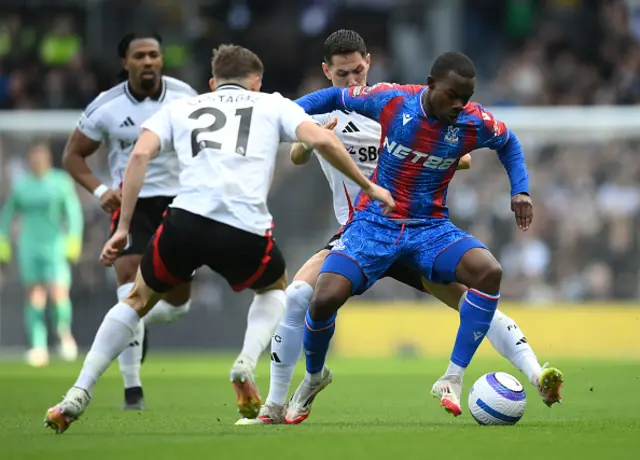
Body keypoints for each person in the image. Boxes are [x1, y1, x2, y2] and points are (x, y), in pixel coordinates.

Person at [43, 44, 395, 434]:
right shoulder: (271, 103)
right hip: (244, 226)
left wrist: (124, 227)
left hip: (184, 220)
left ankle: (78, 392)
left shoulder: (182, 107)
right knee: (276, 289)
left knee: (136, 299)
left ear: (212, 83)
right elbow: (325, 142)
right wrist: (370, 187)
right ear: (257, 82)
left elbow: (138, 157)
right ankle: (245, 360)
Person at [240, 30, 562, 426]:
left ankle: (531, 372)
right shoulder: (329, 116)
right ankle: (281, 400)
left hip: (423, 231)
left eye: (359, 71)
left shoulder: (401, 106)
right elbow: (296, 152)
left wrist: (511, 185)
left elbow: (474, 154)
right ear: (327, 72)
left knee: (478, 290)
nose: (353, 81)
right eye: (343, 74)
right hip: (362, 229)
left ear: (369, 64)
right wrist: (299, 129)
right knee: (303, 298)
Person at [62, 31, 198, 410]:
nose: (149, 62)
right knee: (128, 281)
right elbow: (73, 156)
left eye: (154, 54)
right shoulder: (105, 107)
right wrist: (99, 190)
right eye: (140, 56)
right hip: (132, 205)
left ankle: (135, 323)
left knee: (179, 302)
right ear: (126, 63)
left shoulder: (186, 97)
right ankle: (132, 390)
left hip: (179, 203)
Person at [0, 143, 83, 367]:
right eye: (33, 158)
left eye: (40, 158)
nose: (36, 162)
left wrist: (74, 240)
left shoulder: (60, 182)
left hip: (55, 245)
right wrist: (3, 240)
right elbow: (7, 214)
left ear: (47, 159)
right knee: (35, 297)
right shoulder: (22, 186)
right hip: (30, 246)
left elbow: (73, 213)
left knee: (58, 295)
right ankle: (38, 346)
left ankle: (64, 335)